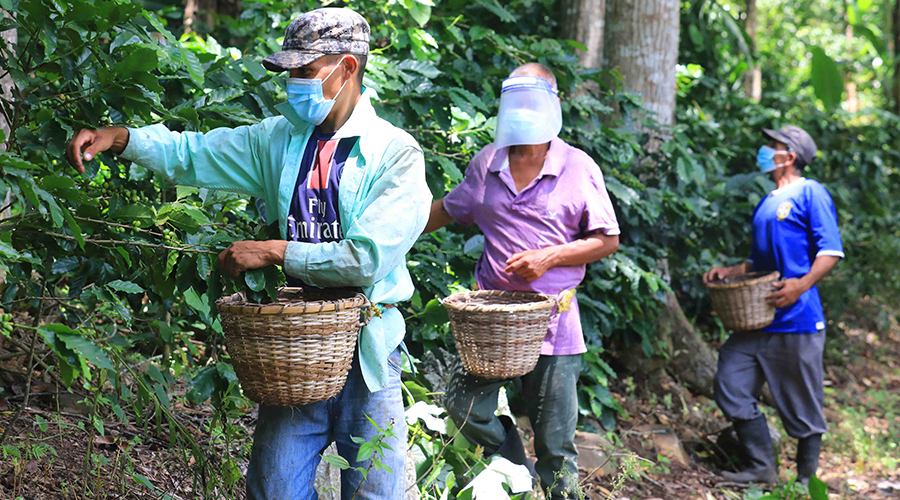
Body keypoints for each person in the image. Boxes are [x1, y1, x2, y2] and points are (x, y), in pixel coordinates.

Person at [65, 8, 431, 499]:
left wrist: (276, 251)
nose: (293, 85)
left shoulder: (395, 153)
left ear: (347, 68)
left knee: (375, 493)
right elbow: (196, 153)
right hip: (295, 346)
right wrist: (124, 139)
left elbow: (366, 258)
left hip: (368, 352)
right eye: (290, 74)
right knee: (273, 489)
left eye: (305, 72)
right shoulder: (279, 139)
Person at [422, 63, 621, 499]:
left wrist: (550, 257)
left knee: (556, 444)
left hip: (552, 321)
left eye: (536, 97)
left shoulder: (576, 166)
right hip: (491, 323)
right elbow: (446, 211)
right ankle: (514, 463)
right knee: (462, 406)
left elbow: (607, 240)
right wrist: (385, 231)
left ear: (555, 103)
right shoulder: (488, 162)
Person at [703, 125, 843, 485]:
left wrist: (801, 285)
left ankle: (804, 482)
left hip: (798, 319)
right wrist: (729, 272)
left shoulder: (810, 192)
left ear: (790, 156)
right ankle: (761, 466)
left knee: (804, 404)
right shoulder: (767, 201)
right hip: (759, 319)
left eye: (773, 146)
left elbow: (831, 251)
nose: (765, 150)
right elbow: (759, 262)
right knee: (730, 381)